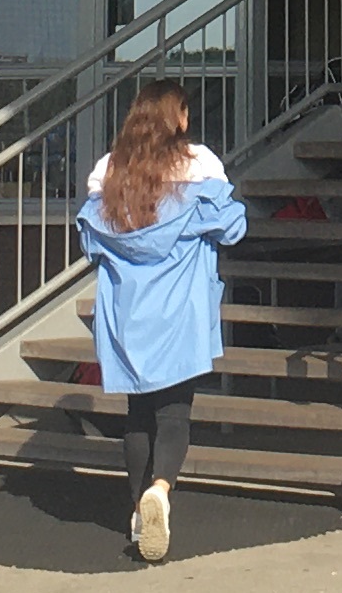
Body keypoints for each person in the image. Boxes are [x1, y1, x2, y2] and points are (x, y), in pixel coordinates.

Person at [75, 82, 245, 562]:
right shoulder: (200, 165)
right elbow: (233, 227)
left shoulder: (110, 171)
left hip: (127, 314)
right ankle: (160, 490)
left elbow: (90, 242)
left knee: (138, 414)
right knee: (174, 414)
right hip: (181, 312)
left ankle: (137, 509)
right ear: (180, 118)